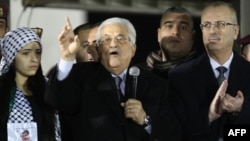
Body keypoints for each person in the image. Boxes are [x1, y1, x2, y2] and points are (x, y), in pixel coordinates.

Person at [45, 17, 181, 141]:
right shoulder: (81, 75)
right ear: (98, 49)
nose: (113, 44)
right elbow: (57, 101)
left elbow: (172, 133)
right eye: (106, 39)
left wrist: (145, 120)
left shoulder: (156, 84)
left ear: (133, 49)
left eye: (121, 38)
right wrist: (67, 56)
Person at [168, 1, 250, 141]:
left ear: (235, 31)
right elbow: (173, 131)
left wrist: (239, 111)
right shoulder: (180, 76)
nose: (212, 31)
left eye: (220, 24)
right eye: (206, 25)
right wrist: (209, 116)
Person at [0, 27, 57, 141]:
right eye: (26, 53)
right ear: (11, 56)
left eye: (38, 52)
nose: (34, 59)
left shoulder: (47, 90)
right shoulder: (2, 92)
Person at [142, 6, 199, 79]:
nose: (175, 32)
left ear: (192, 37)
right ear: (159, 35)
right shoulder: (138, 74)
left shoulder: (206, 73)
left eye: (183, 27)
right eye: (169, 26)